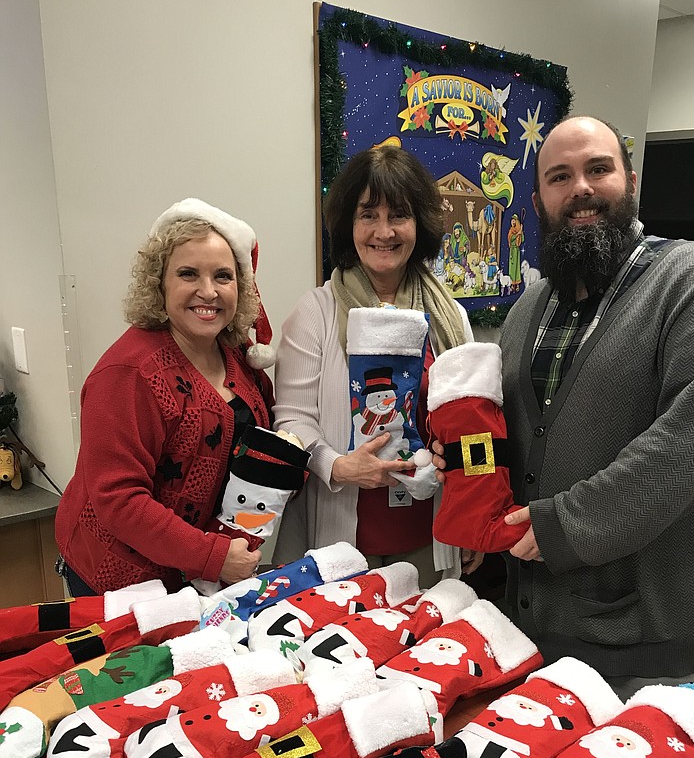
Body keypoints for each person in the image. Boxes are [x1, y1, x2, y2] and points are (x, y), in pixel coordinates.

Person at [439, 116, 694, 703]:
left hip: (657, 638)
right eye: (560, 176)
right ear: (538, 199)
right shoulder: (528, 309)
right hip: (539, 623)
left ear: (629, 180)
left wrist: (562, 526)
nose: (580, 187)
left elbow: (686, 452)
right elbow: (509, 435)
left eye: (598, 169)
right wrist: (462, 457)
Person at [272, 145, 479, 587]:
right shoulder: (317, 312)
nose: (383, 231)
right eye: (368, 215)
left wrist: (470, 517)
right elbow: (293, 419)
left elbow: (468, 422)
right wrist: (338, 465)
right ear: (348, 225)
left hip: (429, 531)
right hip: (345, 535)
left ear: (418, 224)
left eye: (398, 215)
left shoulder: (451, 317)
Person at [56, 199, 277, 597]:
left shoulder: (238, 357)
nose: (208, 292)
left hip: (199, 576)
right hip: (124, 580)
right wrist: (212, 556)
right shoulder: (128, 374)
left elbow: (265, 439)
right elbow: (119, 499)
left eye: (223, 276)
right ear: (159, 282)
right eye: (188, 274)